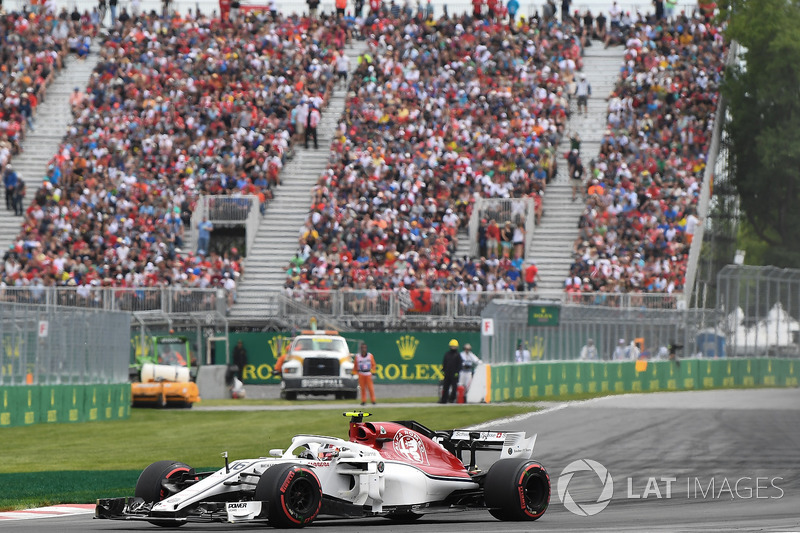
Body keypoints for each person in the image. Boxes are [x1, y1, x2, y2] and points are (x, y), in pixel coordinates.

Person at [440, 339, 462, 403]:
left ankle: (452, 399)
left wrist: (457, 372)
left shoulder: (458, 355)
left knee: (454, 388)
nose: (453, 347)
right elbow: (444, 363)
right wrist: (443, 370)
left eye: (454, 346)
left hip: (454, 374)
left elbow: (459, 364)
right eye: (452, 346)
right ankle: (444, 400)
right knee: (445, 387)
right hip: (447, 373)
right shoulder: (447, 354)